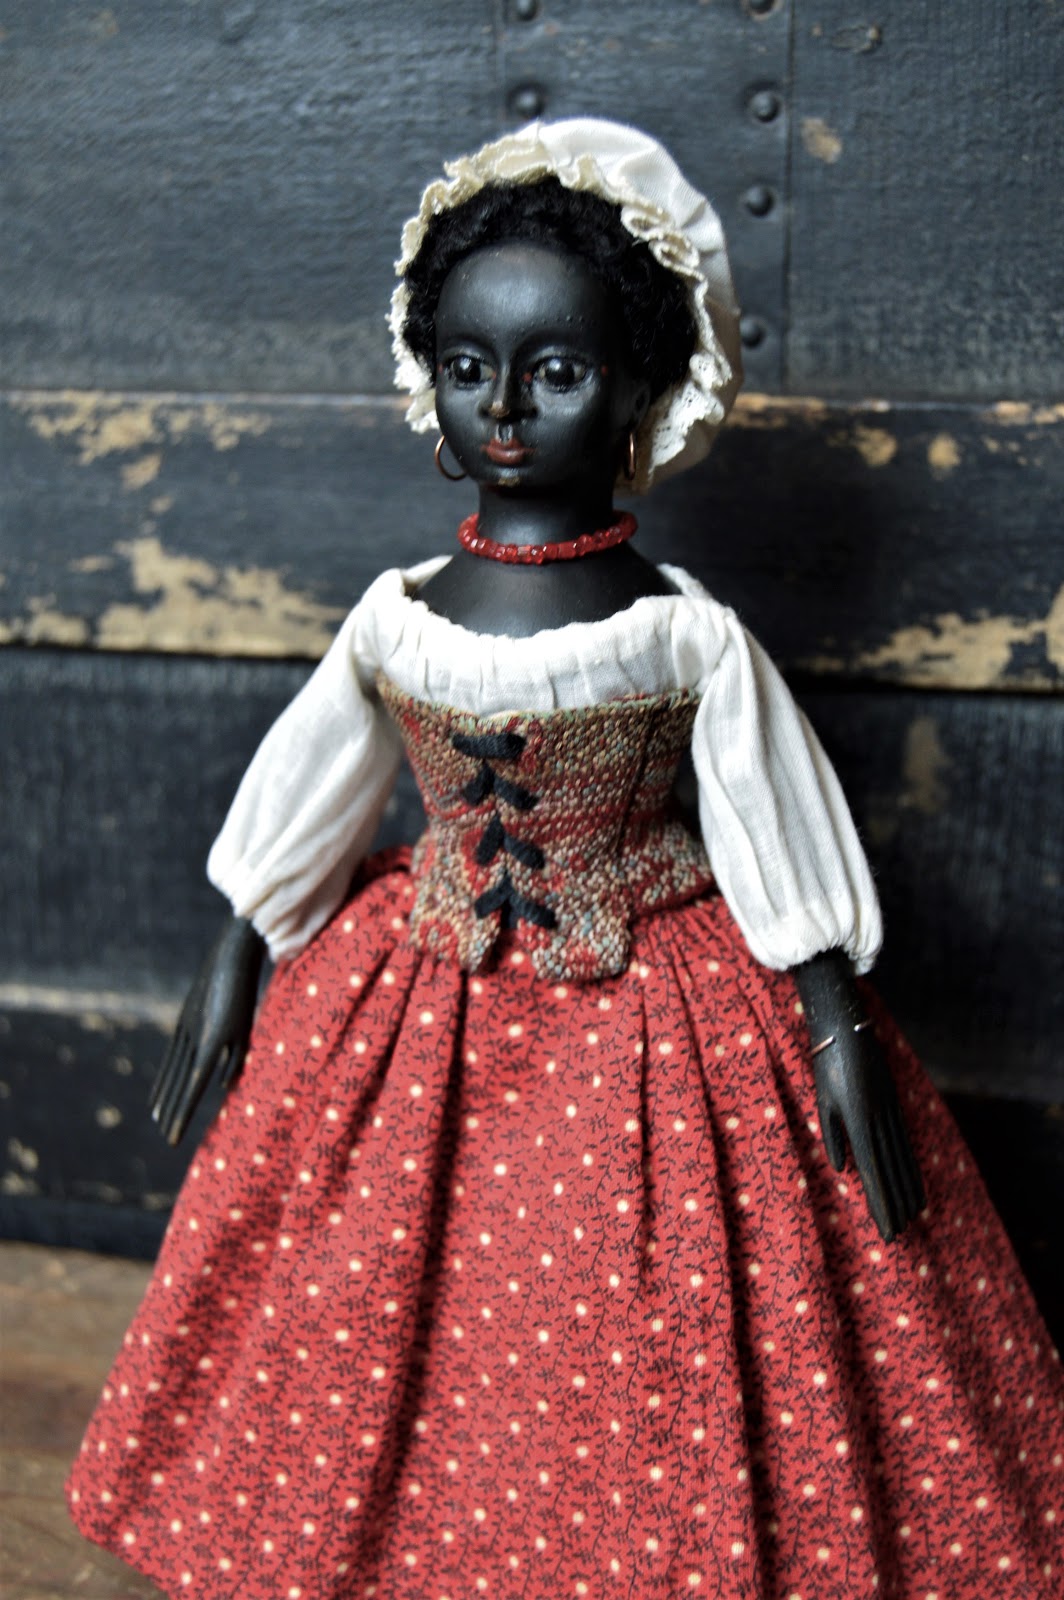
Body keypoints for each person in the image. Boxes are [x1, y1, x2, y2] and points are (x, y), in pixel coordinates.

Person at [68, 118, 1063, 1600]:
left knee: (659, 1307)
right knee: (370, 1285)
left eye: (557, 371)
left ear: (646, 390)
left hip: (657, 1007)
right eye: (469, 366)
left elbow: (773, 817)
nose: (505, 408)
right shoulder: (397, 617)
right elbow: (314, 782)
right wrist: (238, 944)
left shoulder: (682, 634)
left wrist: (835, 1021)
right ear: (426, 374)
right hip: (420, 978)